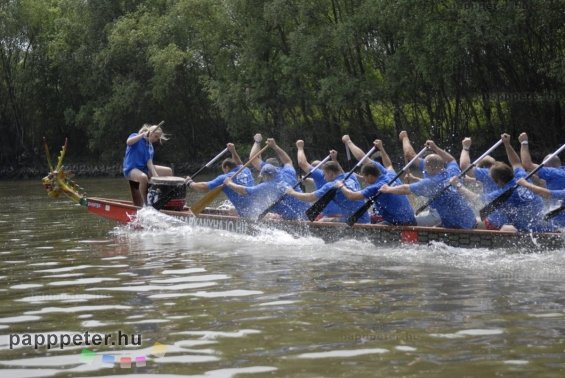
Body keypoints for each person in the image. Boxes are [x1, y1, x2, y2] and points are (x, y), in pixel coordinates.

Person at [451, 134, 553, 232]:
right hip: (543, 221)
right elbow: (516, 163)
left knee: (474, 223)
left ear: (499, 182)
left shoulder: (503, 192)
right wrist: (507, 144)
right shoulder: (521, 176)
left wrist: (458, 185)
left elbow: (476, 198)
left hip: (527, 228)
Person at [380, 140, 477, 229]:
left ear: (429, 168)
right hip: (469, 218)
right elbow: (451, 159)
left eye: (425, 167)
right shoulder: (452, 171)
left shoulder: (430, 183)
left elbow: (406, 189)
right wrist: (435, 147)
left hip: (458, 225)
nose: (424, 170)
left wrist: (388, 189)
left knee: (411, 223)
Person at [224, 139, 310, 220]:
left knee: (257, 209)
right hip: (308, 211)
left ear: (265, 177)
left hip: (294, 217)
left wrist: (229, 183)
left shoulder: (267, 185)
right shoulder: (288, 172)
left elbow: (243, 190)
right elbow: (287, 161)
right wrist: (275, 146)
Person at [286, 161, 370, 223]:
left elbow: (310, 197)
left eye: (324, 174)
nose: (324, 178)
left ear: (330, 173)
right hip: (365, 217)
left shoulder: (330, 185)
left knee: (322, 220)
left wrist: (292, 192)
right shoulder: (351, 176)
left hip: (355, 220)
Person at [185, 143, 255, 217]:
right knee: (231, 210)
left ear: (227, 168)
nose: (224, 172)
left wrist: (190, 183)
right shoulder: (246, 169)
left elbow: (204, 187)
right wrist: (233, 151)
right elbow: (239, 163)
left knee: (233, 210)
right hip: (255, 206)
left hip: (245, 212)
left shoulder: (225, 178)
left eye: (223, 169)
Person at [338, 162, 416, 225]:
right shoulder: (391, 175)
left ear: (370, 176)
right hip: (412, 220)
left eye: (365, 177)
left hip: (400, 224)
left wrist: (341, 186)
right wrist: (381, 148)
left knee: (370, 229)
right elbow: (389, 165)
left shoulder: (374, 187)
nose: (364, 180)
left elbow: (352, 196)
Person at [519, 132, 565, 227]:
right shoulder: (561, 172)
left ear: (547, 167)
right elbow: (540, 183)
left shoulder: (552, 172)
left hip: (559, 224)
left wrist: (524, 142)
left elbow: (527, 164)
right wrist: (532, 177)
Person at [398, 130, 442, 226]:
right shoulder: (443, 170)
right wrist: (414, 178)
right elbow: (433, 184)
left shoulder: (429, 167)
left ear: (429, 165)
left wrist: (404, 138)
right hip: (441, 212)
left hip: (440, 215)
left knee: (408, 221)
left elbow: (410, 155)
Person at [122, 123, 172, 204]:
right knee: (143, 177)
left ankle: (164, 198)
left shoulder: (150, 147)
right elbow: (128, 142)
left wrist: (156, 177)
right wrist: (142, 135)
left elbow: (149, 164)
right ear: (150, 132)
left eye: (158, 138)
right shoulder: (136, 136)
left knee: (168, 171)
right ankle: (145, 203)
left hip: (144, 169)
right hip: (130, 169)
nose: (156, 139)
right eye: (156, 136)